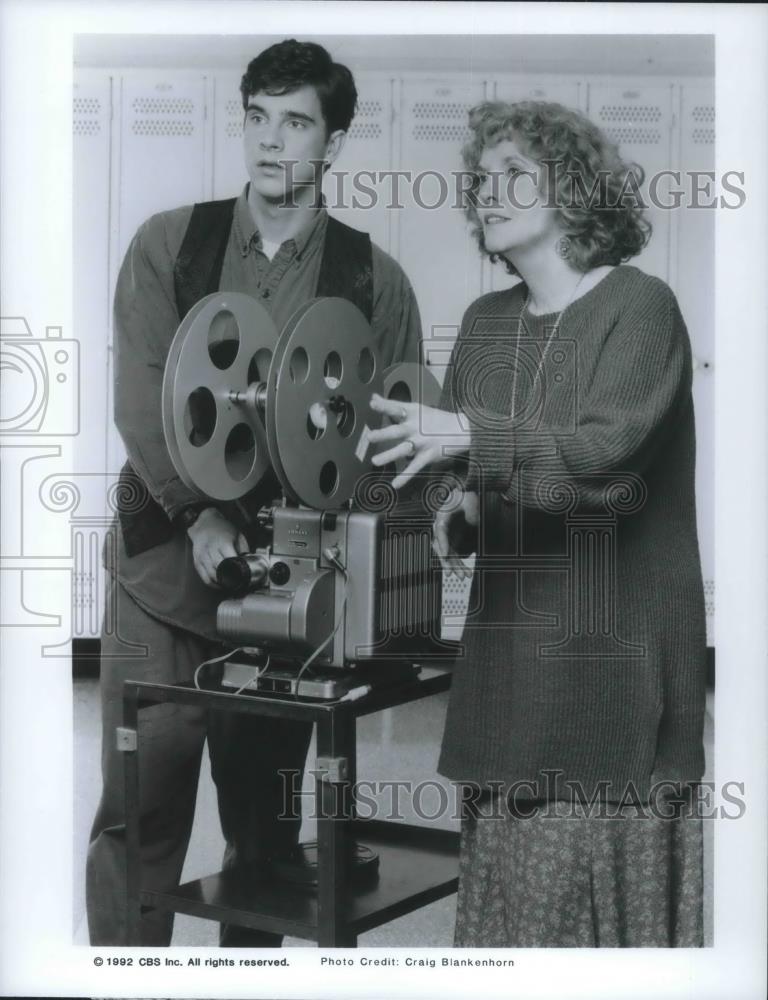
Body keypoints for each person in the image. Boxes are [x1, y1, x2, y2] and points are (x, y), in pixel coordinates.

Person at [87, 38, 422, 947]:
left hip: (286, 594)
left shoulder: (373, 279)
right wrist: (196, 514)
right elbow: (141, 395)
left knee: (265, 844)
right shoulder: (168, 243)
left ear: (334, 141)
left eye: (298, 122)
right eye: (258, 118)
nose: (273, 141)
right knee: (141, 817)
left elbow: (389, 436)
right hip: (161, 577)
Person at [369, 99, 706, 947]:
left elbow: (602, 465)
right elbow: (471, 475)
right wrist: (458, 510)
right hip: (508, 677)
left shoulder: (642, 308)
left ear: (576, 191)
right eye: (483, 179)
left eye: (517, 174)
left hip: (611, 682)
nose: (490, 191)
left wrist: (472, 438)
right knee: (509, 936)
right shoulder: (484, 327)